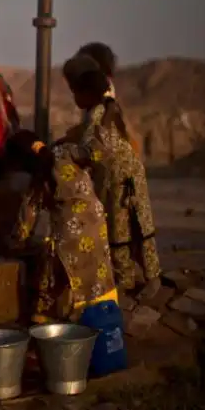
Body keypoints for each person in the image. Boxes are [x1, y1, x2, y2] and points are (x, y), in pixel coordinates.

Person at [5, 130, 118, 323]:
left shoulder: (38, 178)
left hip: (70, 233)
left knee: (50, 281)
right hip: (96, 223)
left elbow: (26, 217)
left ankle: (46, 327)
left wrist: (16, 243)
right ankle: (102, 319)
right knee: (98, 273)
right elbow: (97, 153)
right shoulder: (65, 151)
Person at [69, 70, 161, 297]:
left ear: (88, 93)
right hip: (120, 176)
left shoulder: (100, 114)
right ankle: (132, 278)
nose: (74, 98)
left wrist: (72, 155)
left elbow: (96, 149)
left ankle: (145, 278)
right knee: (126, 227)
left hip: (121, 178)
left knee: (128, 228)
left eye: (76, 93)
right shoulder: (101, 110)